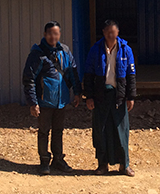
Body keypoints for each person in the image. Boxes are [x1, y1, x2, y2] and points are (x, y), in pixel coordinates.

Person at [22, 21, 82, 175]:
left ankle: (58, 160)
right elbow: (28, 79)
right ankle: (44, 161)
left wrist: (77, 93)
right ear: (44, 34)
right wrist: (33, 102)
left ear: (59, 34)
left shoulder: (65, 51)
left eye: (56, 34)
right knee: (43, 131)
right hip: (44, 102)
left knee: (58, 131)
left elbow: (72, 74)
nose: (53, 37)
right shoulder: (37, 54)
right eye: (50, 33)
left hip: (61, 101)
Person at [84, 19, 136, 177]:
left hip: (118, 96)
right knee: (101, 131)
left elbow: (131, 75)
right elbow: (88, 74)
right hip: (101, 96)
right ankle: (102, 164)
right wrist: (89, 96)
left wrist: (131, 96)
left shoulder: (125, 49)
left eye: (113, 32)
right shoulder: (95, 50)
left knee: (121, 131)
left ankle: (124, 165)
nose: (110, 35)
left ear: (117, 33)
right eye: (108, 32)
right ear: (104, 33)